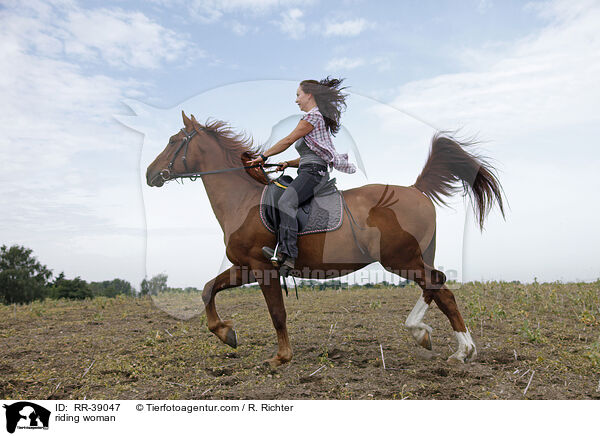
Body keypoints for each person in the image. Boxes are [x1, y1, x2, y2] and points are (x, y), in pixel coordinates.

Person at [248, 77, 356, 270]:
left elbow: (288, 140)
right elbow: (314, 154)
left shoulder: (312, 117)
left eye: (298, 95)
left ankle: (288, 254)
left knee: (286, 201)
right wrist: (288, 163)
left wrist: (263, 157)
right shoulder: (314, 118)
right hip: (310, 169)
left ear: (309, 95)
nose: (296, 100)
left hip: (313, 173)